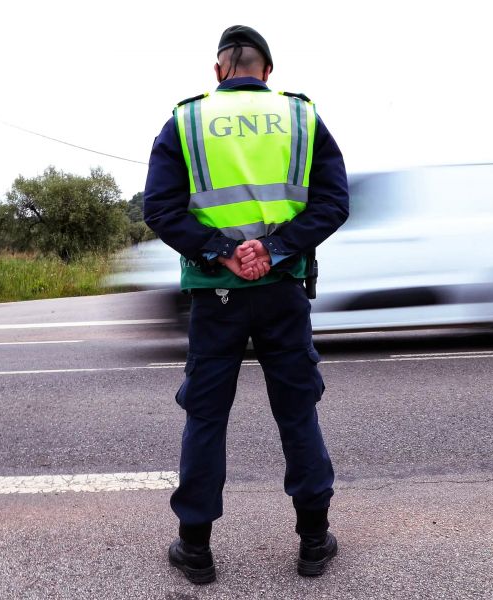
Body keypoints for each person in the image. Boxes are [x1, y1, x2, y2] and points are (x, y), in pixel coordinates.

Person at [143, 25, 349, 584]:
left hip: (216, 293)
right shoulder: (302, 118)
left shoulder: (185, 121)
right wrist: (275, 249)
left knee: (206, 417)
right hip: (282, 290)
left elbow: (160, 208)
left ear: (218, 71)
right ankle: (312, 542)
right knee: (297, 412)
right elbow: (334, 202)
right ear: (267, 71)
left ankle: (196, 549)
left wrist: (223, 252)